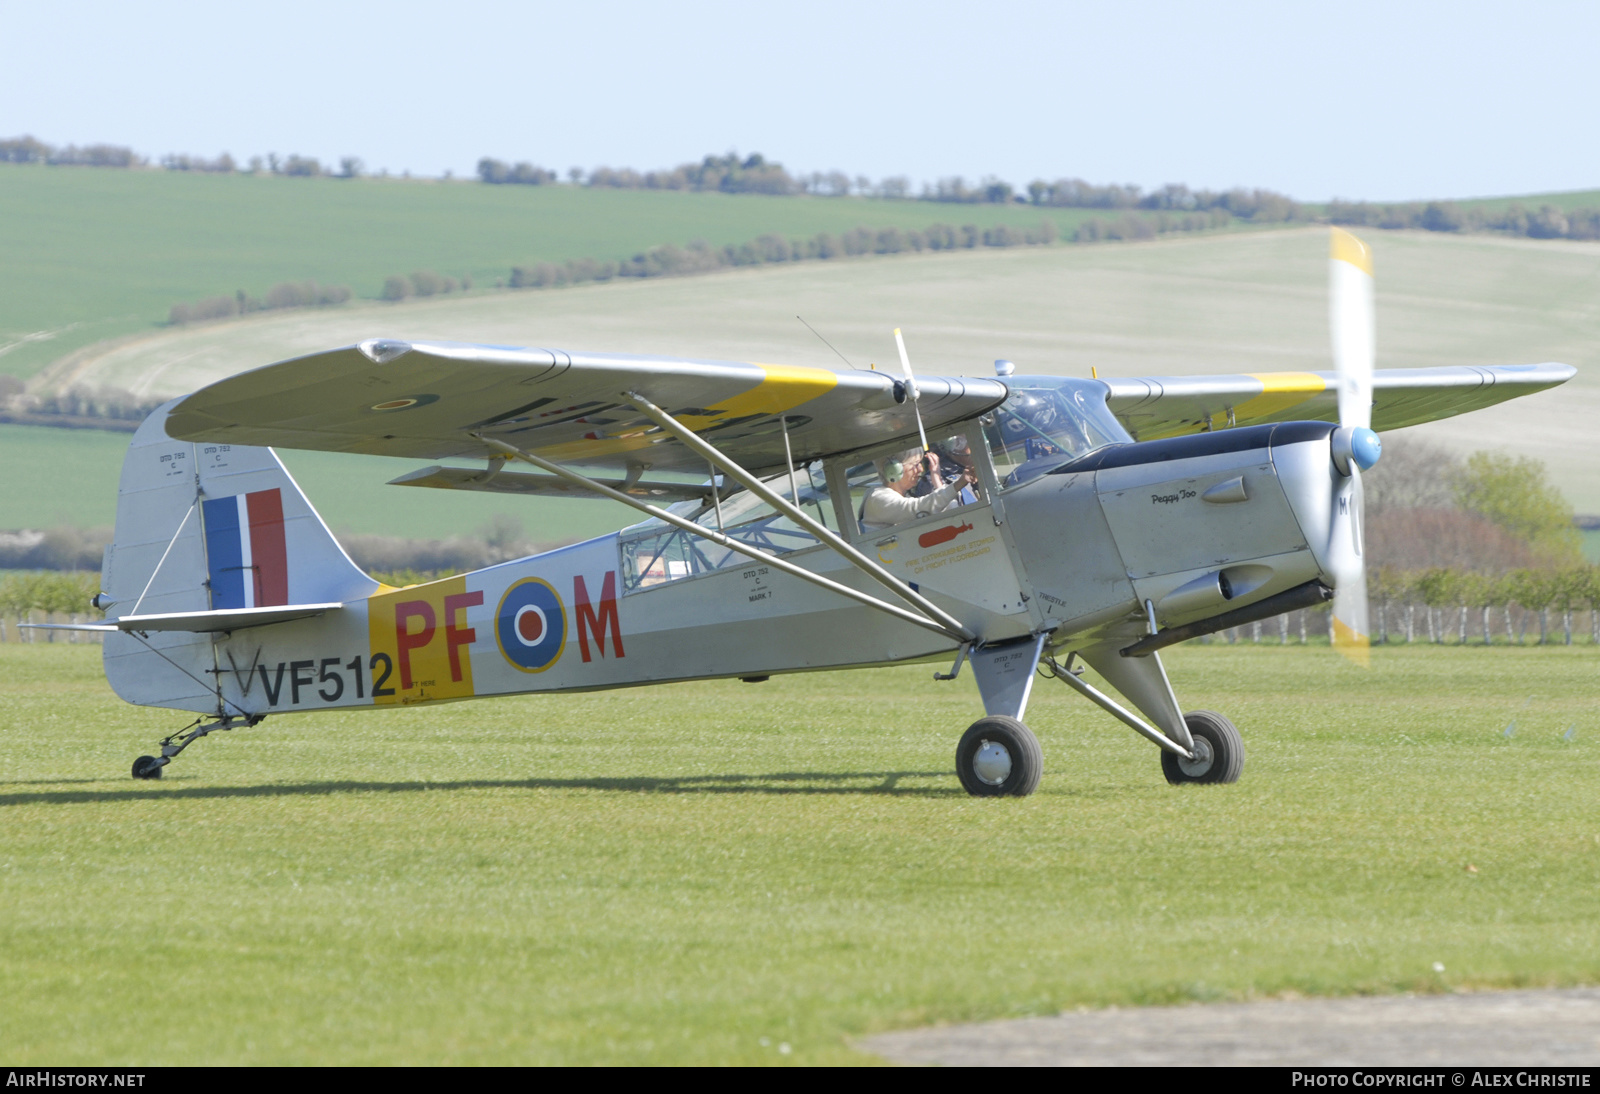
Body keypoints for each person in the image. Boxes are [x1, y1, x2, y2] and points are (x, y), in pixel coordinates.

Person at [860, 446, 976, 532]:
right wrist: (960, 483)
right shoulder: (877, 498)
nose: (920, 469)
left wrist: (936, 478)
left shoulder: (904, 497)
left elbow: (951, 510)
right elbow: (919, 508)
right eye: (915, 464)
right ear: (894, 470)